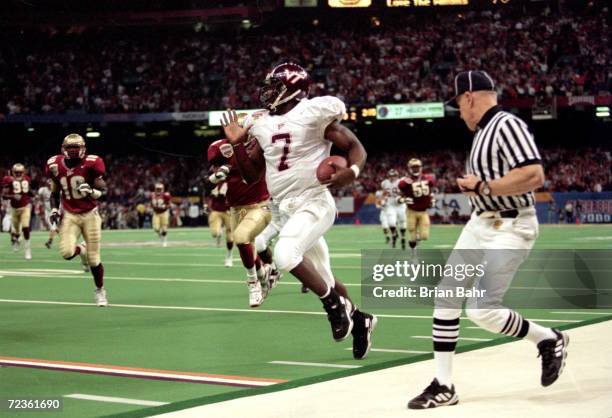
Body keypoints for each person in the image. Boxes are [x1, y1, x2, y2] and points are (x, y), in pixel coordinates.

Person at [408, 71, 568, 409]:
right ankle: (444, 384)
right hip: (482, 222)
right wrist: (479, 189)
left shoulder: (505, 124)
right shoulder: (484, 131)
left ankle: (547, 338)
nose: (460, 113)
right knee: (446, 297)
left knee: (482, 309)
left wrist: (483, 187)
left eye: (459, 105)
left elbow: (534, 174)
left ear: (469, 97)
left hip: (511, 225)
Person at [221, 62, 376, 360]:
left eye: (274, 86)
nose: (267, 92)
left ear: (292, 90)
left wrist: (353, 170)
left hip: (313, 201)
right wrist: (239, 144)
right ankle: (359, 321)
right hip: (285, 209)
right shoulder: (261, 123)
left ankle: (334, 308)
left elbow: (354, 145)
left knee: (284, 254)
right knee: (326, 280)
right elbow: (252, 175)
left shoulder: (313, 113)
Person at [206, 137, 272, 307]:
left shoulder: (257, 149)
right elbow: (207, 184)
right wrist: (216, 177)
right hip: (235, 209)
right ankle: (264, 273)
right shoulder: (222, 152)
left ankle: (253, 283)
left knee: (241, 236)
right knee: (245, 245)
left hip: (260, 206)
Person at [45, 133, 109, 307]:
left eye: (76, 147)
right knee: (66, 253)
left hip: (90, 214)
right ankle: (81, 250)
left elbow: (103, 188)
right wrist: (54, 208)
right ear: (63, 149)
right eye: (69, 147)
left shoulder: (93, 162)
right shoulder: (54, 165)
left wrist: (91, 190)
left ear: (83, 149)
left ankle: (100, 290)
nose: (73, 151)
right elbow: (55, 191)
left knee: (94, 259)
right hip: (70, 215)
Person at [398, 158, 435, 259]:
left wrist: (431, 199)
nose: (415, 169)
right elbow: (399, 194)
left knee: (424, 236)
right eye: (413, 167)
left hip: (423, 211)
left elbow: (431, 190)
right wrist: (403, 200)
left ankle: (417, 240)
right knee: (412, 233)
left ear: (421, 167)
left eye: (417, 167)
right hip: (411, 211)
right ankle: (414, 254)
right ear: (409, 168)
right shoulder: (405, 181)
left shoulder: (428, 179)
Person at [1, 163, 33, 259]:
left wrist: (32, 194)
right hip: (14, 209)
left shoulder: (27, 179)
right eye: (16, 172)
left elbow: (28, 191)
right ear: (13, 172)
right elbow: (4, 195)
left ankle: (27, 249)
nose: (18, 174)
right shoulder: (8, 180)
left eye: (20, 172)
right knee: (16, 231)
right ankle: (16, 239)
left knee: (26, 227)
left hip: (25, 207)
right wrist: (13, 196)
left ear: (23, 172)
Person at [205, 181, 234, 267]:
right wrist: (208, 206)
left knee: (230, 237)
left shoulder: (232, 182)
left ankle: (229, 256)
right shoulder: (213, 183)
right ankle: (219, 234)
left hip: (228, 211)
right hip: (216, 210)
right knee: (215, 233)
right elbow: (209, 196)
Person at [381, 169, 407, 249]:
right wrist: (383, 199)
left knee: (402, 222)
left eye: (394, 176)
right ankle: (394, 235)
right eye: (390, 176)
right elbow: (384, 193)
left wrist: (402, 198)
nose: (392, 178)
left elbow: (407, 192)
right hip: (391, 204)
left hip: (401, 205)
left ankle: (403, 237)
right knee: (391, 222)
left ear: (397, 176)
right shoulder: (384, 183)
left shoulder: (401, 182)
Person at [38, 179, 59, 249]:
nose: (50, 186)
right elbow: (40, 199)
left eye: (51, 185)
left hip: (56, 211)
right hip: (47, 211)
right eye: (49, 185)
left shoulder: (57, 191)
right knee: (55, 228)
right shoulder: (43, 190)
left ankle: (50, 241)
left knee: (54, 227)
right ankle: (52, 241)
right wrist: (41, 210)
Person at [151, 183, 171, 247]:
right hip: (156, 213)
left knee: (164, 228)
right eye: (157, 189)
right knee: (156, 228)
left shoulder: (166, 195)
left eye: (159, 189)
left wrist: (164, 206)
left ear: (162, 189)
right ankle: (161, 237)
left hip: (164, 212)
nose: (158, 190)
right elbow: (151, 203)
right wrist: (153, 207)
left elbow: (169, 204)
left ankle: (164, 240)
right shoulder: (152, 195)